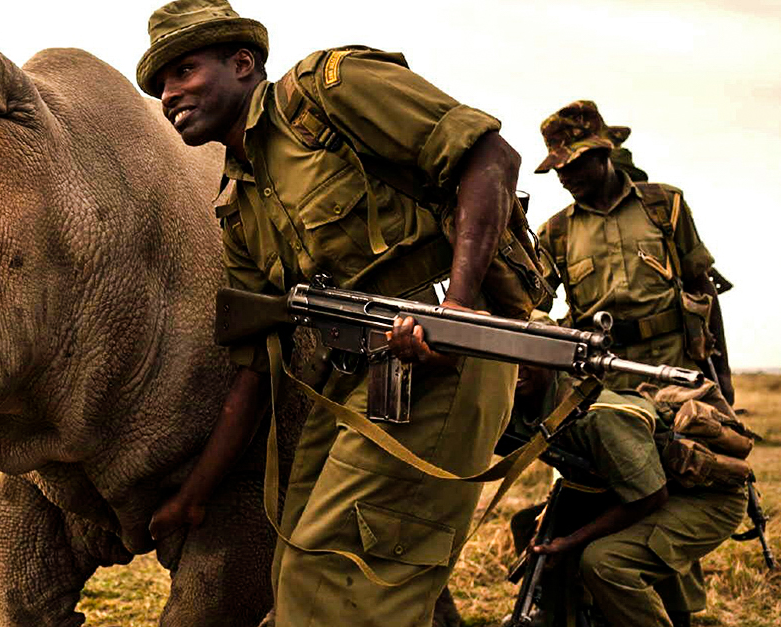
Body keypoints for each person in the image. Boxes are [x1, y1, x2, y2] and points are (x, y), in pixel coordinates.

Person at [136, 1, 532, 624]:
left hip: (445, 363)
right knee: (295, 560)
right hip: (359, 379)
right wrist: (193, 496)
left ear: (243, 64)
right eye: (160, 85)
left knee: (339, 582)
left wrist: (456, 308)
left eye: (183, 71)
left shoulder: (329, 90)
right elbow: (255, 366)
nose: (169, 96)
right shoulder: (236, 206)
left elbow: (491, 157)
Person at [506, 358, 749, 627]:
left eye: (527, 358)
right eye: (508, 359)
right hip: (638, 490)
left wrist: (571, 542)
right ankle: (560, 617)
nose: (517, 368)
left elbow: (651, 496)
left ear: (553, 361)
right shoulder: (529, 405)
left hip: (705, 499)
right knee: (528, 524)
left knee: (605, 563)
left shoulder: (598, 415)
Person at [534, 101, 733, 401]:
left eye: (573, 165)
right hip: (601, 380)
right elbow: (532, 307)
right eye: (557, 169)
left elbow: (701, 286)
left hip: (675, 369)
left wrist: (724, 375)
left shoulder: (665, 205)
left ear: (602, 153)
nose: (564, 178)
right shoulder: (555, 233)